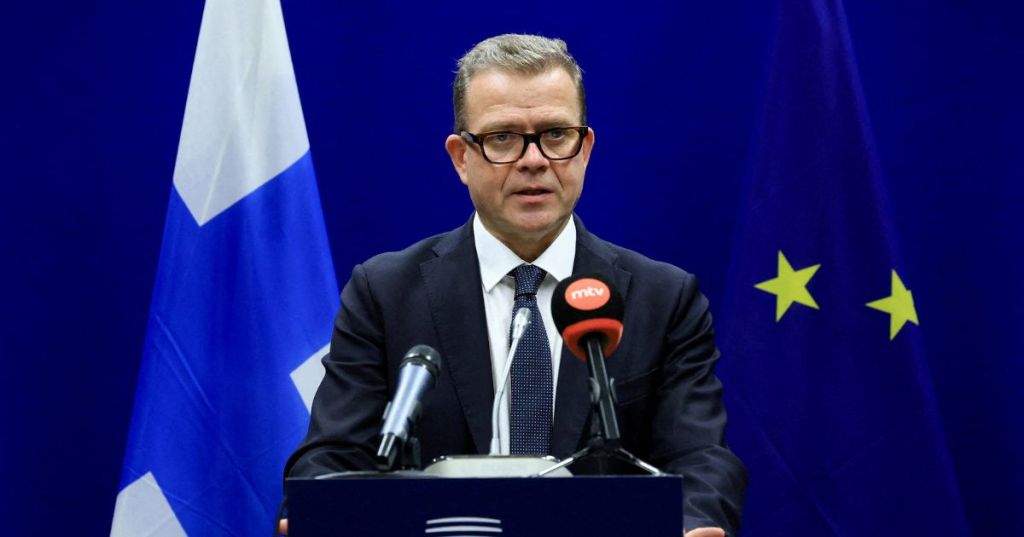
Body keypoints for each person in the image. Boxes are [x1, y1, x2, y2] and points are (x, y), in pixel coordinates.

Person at [285, 34, 747, 536]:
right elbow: (330, 456)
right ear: (461, 157)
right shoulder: (385, 294)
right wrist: (319, 514)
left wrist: (693, 524)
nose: (534, 160)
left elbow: (701, 458)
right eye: (503, 138)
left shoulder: (663, 298)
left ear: (585, 149)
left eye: (556, 134)